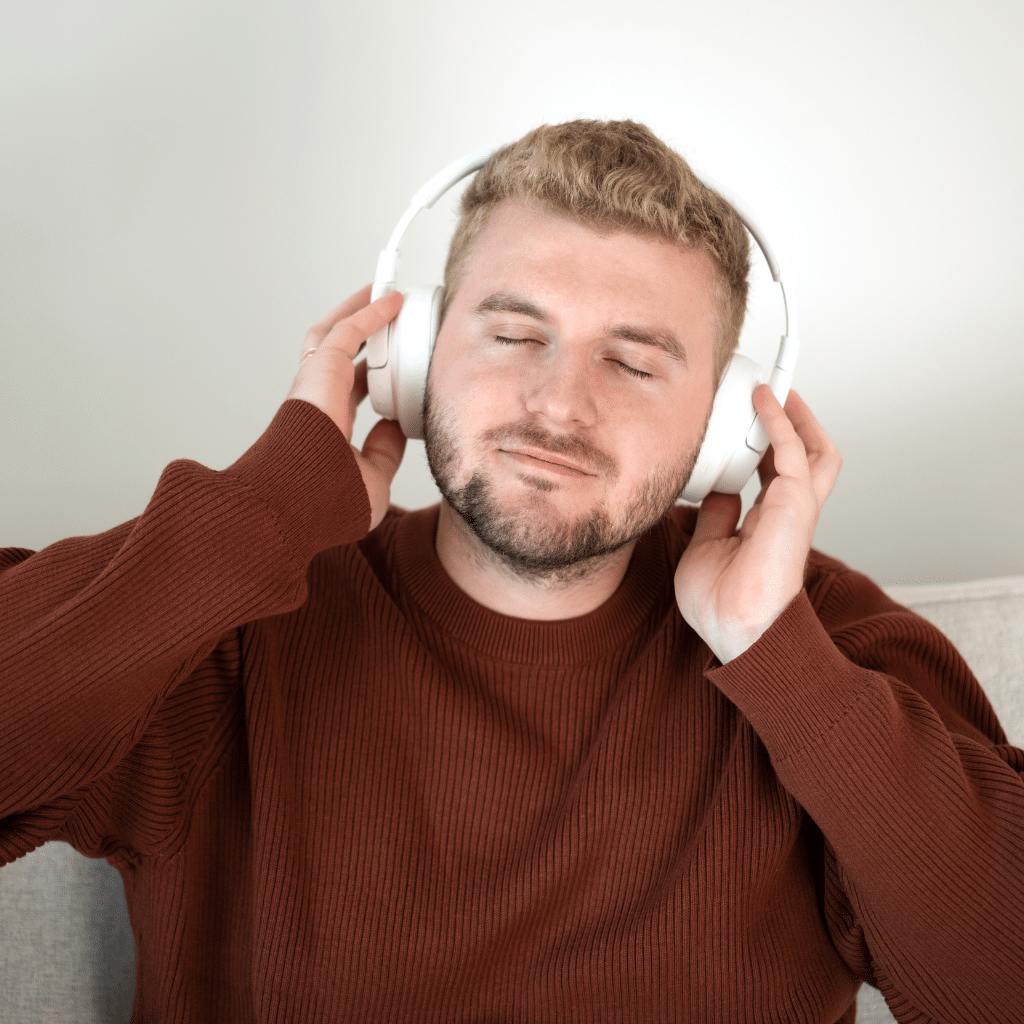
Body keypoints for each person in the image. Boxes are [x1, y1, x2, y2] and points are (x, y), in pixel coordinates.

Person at [2, 120, 1021, 1024]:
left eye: (630, 360)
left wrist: (784, 664)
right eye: (514, 331)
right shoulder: (228, 615)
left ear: (725, 427)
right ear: (408, 356)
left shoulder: (827, 645)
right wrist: (264, 515)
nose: (558, 404)